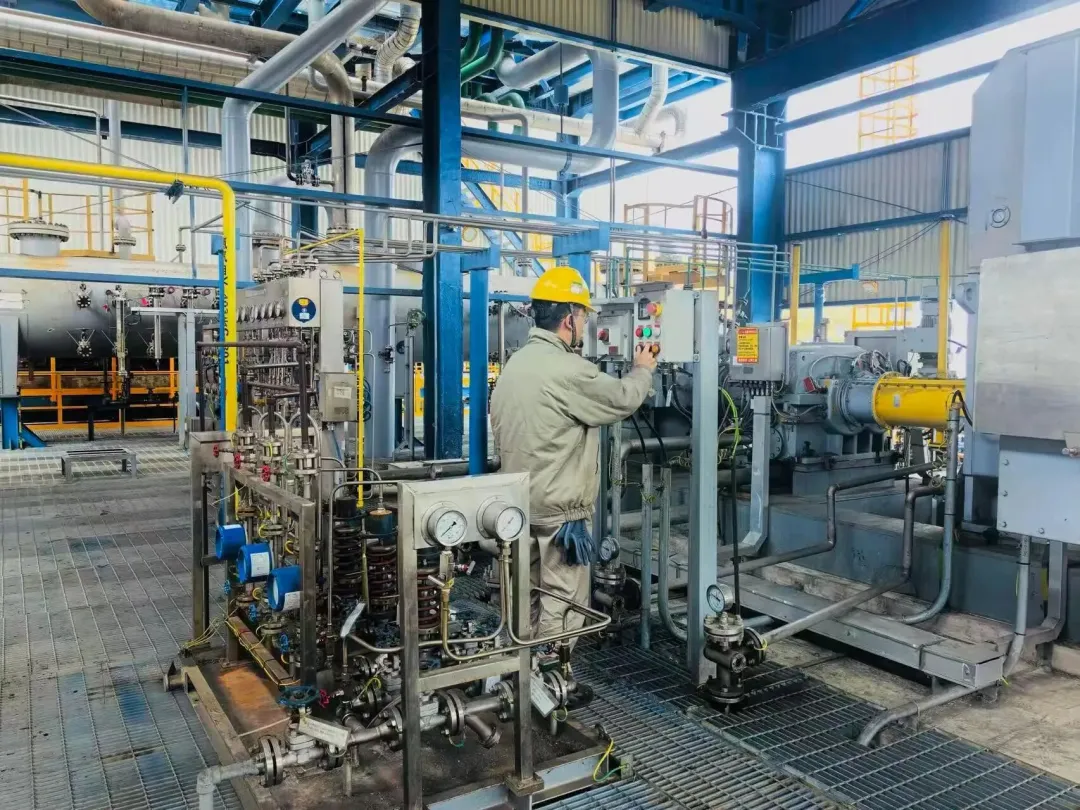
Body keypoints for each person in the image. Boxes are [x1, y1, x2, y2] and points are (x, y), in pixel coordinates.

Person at [490, 266, 657, 674]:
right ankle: (550, 679)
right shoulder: (567, 369)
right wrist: (643, 368)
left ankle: (517, 674)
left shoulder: (515, 364)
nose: (584, 325)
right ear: (569, 319)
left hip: (518, 505)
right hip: (559, 514)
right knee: (562, 602)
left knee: (525, 593)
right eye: (583, 316)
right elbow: (622, 398)